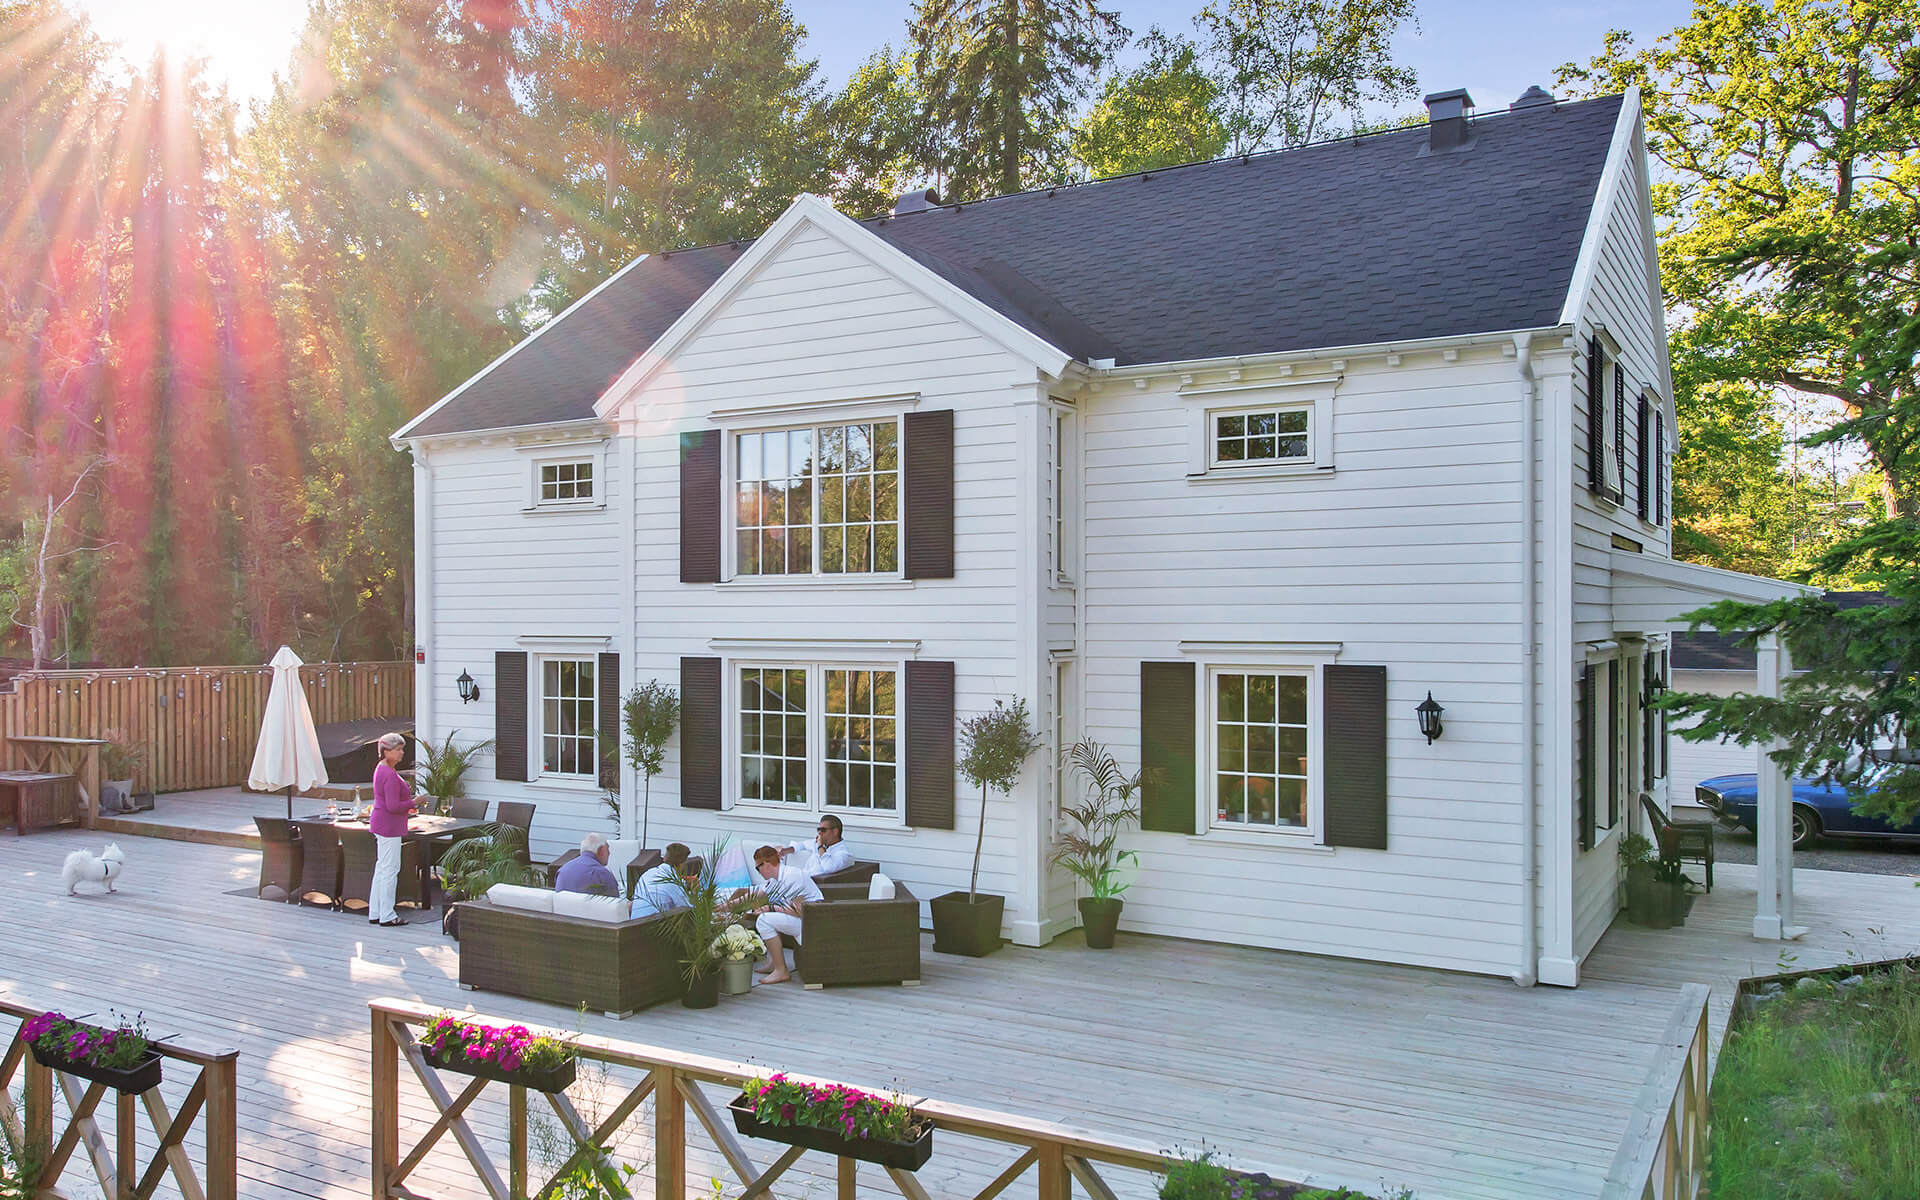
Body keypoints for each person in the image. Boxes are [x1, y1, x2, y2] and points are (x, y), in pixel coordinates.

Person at [750, 844, 822, 984]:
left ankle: (781, 970)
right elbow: (755, 897)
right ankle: (773, 963)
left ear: (766, 865)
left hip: (811, 922)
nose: (758, 872)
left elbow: (799, 911)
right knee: (765, 917)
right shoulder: (775, 879)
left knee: (764, 920)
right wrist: (726, 905)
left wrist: (770, 908)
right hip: (803, 919)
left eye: (757, 868)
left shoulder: (791, 876)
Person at [368, 732, 416, 928]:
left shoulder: (382, 768)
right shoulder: (388, 773)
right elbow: (393, 806)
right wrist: (414, 802)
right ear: (386, 751)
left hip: (382, 823)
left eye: (402, 749)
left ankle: (376, 911)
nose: (402, 753)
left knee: (382, 868)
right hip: (389, 826)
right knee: (390, 870)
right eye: (398, 749)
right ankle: (387, 915)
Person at [779, 814, 853, 878]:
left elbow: (828, 867)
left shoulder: (842, 853)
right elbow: (802, 845)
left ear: (835, 831)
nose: (819, 833)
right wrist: (784, 851)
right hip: (801, 877)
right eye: (818, 829)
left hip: (813, 883)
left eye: (823, 830)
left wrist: (820, 847)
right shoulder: (817, 843)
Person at [633, 854, 700, 918]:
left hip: (634, 923)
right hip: (654, 923)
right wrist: (694, 893)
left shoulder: (648, 873)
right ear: (681, 864)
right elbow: (689, 911)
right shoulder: (674, 883)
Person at [555, 832, 621, 897]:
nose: (609, 853)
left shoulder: (563, 870)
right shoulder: (601, 874)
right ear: (600, 850)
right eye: (607, 849)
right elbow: (615, 902)